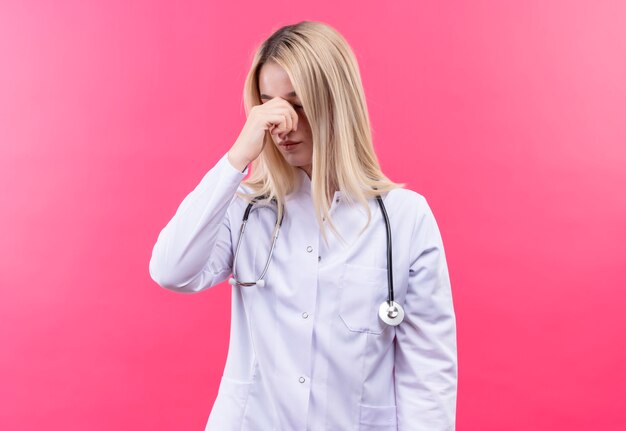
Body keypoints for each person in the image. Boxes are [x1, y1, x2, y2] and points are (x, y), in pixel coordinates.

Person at [149, 20, 458, 431]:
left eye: (297, 105)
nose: (282, 125)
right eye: (267, 107)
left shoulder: (404, 218)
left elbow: (428, 378)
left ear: (336, 104)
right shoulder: (245, 209)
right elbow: (171, 271)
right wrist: (236, 159)